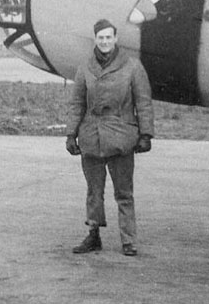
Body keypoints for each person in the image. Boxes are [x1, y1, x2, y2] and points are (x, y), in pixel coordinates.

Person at [65, 19, 154, 256]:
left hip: (121, 138)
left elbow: (143, 102)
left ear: (115, 39)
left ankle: (129, 241)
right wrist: (71, 134)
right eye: (100, 37)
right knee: (94, 190)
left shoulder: (132, 66)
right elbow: (77, 103)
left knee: (124, 193)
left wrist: (145, 134)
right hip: (91, 137)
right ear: (95, 39)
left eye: (108, 37)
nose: (104, 42)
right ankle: (93, 235)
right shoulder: (85, 67)